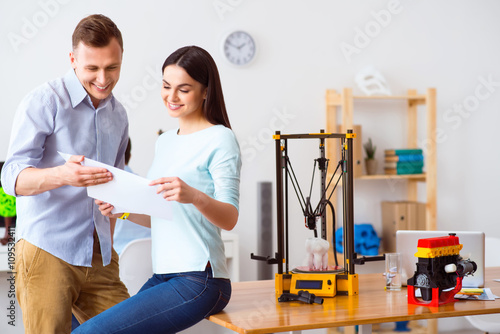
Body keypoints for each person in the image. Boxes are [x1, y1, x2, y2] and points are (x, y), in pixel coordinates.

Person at [73, 45, 241, 334]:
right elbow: (164, 216)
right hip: (164, 275)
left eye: (183, 89)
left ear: (205, 91)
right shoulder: (165, 141)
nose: (171, 97)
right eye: (166, 86)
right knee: (80, 323)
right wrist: (122, 212)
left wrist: (195, 196)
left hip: (201, 279)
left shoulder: (220, 139)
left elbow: (230, 218)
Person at [0, 14, 130, 334]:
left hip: (100, 255)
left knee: (133, 327)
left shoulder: (119, 114)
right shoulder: (45, 101)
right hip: (48, 250)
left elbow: (117, 177)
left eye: (112, 67)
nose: (103, 78)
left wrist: (123, 200)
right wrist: (63, 176)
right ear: (73, 60)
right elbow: (11, 177)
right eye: (92, 68)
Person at [112, 138, 151, 255]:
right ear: (130, 156)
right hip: (150, 259)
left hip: (119, 259)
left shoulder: (106, 190)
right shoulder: (149, 186)